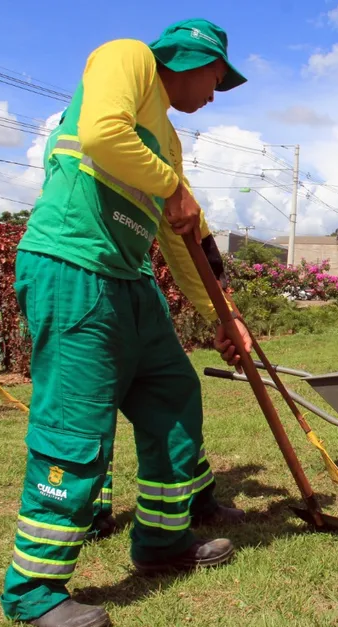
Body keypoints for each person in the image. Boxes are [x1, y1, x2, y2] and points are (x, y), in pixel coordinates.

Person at [0, 19, 253, 627]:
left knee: (173, 397)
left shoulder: (167, 137)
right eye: (218, 78)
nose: (217, 95)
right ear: (191, 59)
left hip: (130, 281)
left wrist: (227, 318)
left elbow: (180, 238)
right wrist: (173, 186)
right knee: (75, 425)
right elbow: (102, 134)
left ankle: (163, 541)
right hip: (72, 267)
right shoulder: (127, 57)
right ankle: (33, 587)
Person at [88, 198, 244, 541]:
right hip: (88, 273)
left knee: (175, 395)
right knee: (93, 406)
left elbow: (186, 228)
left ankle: (194, 503)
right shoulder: (117, 147)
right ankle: (89, 513)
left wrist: (223, 311)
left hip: (137, 280)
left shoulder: (166, 150)